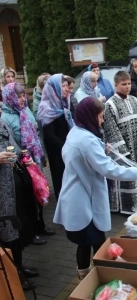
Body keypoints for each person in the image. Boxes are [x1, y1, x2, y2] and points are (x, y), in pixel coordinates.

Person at [53, 97, 137, 280]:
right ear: (90, 116)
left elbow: (88, 152)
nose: (102, 121)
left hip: (77, 197)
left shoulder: (77, 132)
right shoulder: (87, 141)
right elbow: (111, 170)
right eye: (100, 117)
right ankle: (103, 278)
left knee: (86, 243)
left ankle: (87, 277)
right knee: (98, 243)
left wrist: (102, 148)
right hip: (83, 202)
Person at [1, 82, 55, 245]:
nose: (23, 99)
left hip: (32, 159)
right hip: (18, 163)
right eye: (18, 96)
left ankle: (40, 225)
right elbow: (11, 142)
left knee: (39, 192)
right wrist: (20, 156)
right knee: (28, 199)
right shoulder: (6, 117)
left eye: (24, 95)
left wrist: (40, 154)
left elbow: (36, 133)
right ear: (10, 98)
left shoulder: (25, 111)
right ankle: (30, 233)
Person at [103, 71, 137, 213]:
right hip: (125, 147)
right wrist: (123, 150)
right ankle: (127, 206)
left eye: (129, 83)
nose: (127, 87)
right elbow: (111, 129)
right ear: (116, 85)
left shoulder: (134, 100)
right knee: (127, 175)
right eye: (123, 84)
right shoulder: (110, 104)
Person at [0, 119, 38, 290]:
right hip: (2, 194)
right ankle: (13, 276)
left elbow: (14, 146)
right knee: (8, 233)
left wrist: (25, 157)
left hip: (15, 187)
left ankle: (20, 267)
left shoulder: (3, 123)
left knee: (19, 227)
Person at [37, 74, 74, 200]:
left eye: (66, 85)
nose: (66, 88)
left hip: (68, 148)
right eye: (62, 86)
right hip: (57, 152)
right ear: (54, 89)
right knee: (61, 179)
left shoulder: (64, 103)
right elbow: (49, 136)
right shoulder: (46, 108)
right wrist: (66, 146)